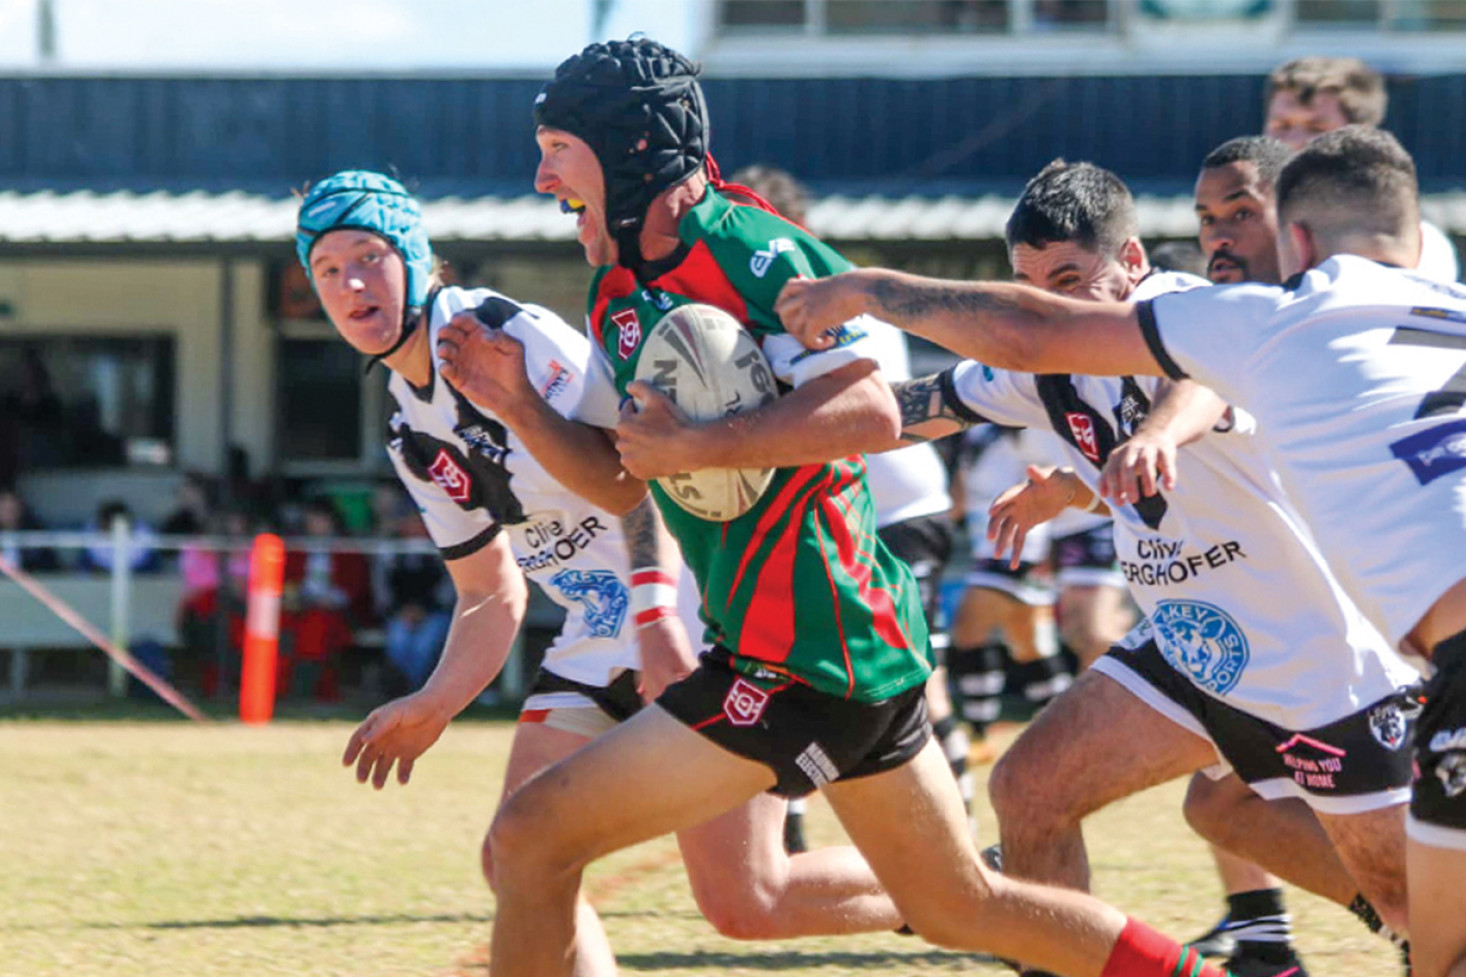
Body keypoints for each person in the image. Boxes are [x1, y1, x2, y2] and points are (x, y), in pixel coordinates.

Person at [457, 38, 1237, 977]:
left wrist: (701, 447)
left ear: (630, 151)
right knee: (957, 904)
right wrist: (520, 408)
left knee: (533, 838)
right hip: (820, 645)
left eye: (558, 148)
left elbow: (867, 412)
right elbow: (629, 482)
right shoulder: (619, 293)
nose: (542, 176)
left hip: (812, 651)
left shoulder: (755, 250)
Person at [774, 125, 1466, 977]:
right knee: (1030, 791)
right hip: (1192, 644)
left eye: (1069, 281)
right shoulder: (1054, 354)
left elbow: (1200, 388)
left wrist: (1150, 436)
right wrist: (749, 438)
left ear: (1131, 257)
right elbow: (910, 409)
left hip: (1318, 660)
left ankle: (1399, 926)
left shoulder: (1199, 309)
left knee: (1373, 888)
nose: (1050, 304)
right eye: (1031, 286)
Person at [302, 169, 944, 975]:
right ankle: (960, 889)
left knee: (747, 898)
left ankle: (963, 889)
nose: (351, 282)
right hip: (595, 634)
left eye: (368, 255)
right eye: (327, 268)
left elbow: (642, 469)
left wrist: (652, 616)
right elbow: (488, 590)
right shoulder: (405, 420)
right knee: (525, 863)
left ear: (415, 254)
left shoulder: (504, 332)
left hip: (684, 611)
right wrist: (436, 701)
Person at [731, 162, 972, 840]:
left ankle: (963, 833)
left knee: (919, 678)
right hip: (829, 512)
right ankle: (792, 832)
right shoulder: (756, 306)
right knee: (801, 665)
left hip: (900, 510)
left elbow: (874, 418)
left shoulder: (838, 298)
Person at [1263, 55, 1458, 283]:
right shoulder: (1232, 222)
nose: (1293, 141)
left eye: (1315, 128)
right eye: (1282, 125)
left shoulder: (1411, 236)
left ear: (1358, 134)